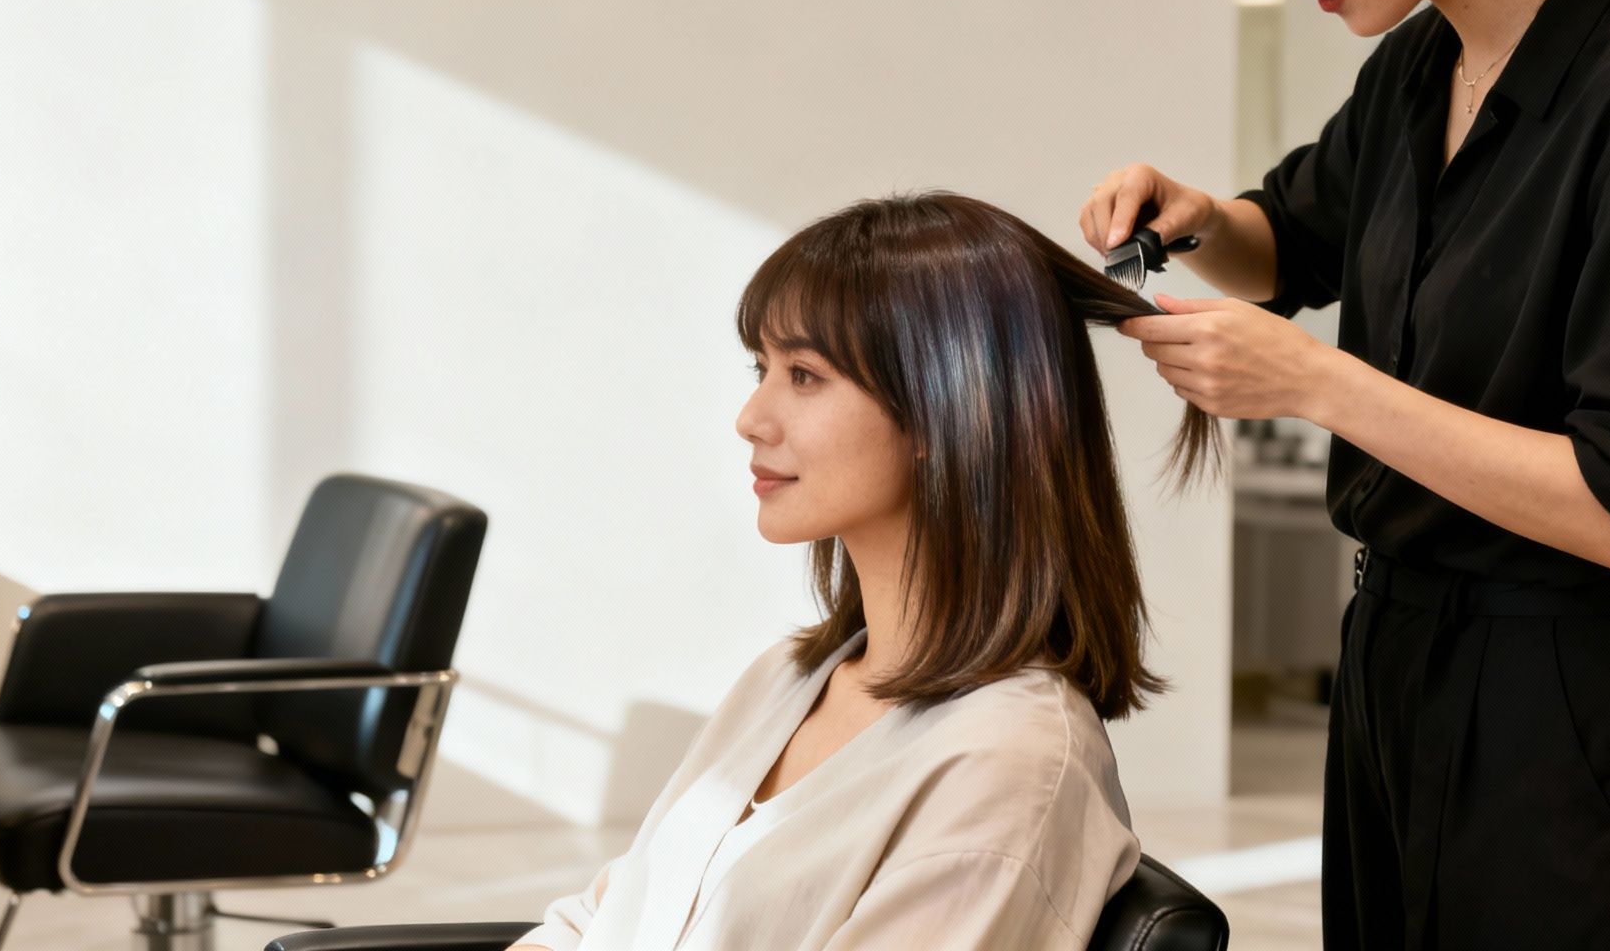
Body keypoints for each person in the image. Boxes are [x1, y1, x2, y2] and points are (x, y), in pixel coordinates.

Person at [1078, 0, 1610, 946]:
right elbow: (1289, 244)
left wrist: (1315, 386)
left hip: (1557, 696)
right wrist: (1198, 217)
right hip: (1389, 657)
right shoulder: (1418, 64)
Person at [511, 192, 1219, 951]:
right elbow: (605, 917)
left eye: (804, 375)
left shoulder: (1010, 764)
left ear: (945, 407)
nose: (751, 416)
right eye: (762, 366)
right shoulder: (788, 677)